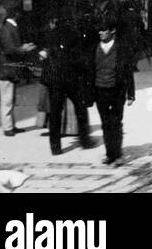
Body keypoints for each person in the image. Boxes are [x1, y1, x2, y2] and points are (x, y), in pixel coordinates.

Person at [39, 10, 93, 155]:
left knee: (55, 113)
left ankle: (55, 147)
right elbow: (80, 58)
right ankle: (85, 140)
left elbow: (45, 55)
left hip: (55, 80)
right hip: (71, 79)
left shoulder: (49, 35)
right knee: (80, 109)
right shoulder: (74, 34)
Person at [88, 17, 136, 165]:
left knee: (116, 122)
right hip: (100, 90)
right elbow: (89, 71)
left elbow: (128, 72)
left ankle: (117, 154)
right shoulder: (94, 49)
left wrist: (131, 94)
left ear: (112, 31)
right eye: (100, 31)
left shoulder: (121, 49)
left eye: (104, 30)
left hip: (117, 90)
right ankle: (110, 154)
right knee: (105, 123)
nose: (101, 33)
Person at [0, 4, 36, 137]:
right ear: (15, 15)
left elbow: (10, 47)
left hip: (7, 69)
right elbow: (9, 49)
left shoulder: (8, 26)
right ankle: (8, 128)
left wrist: (22, 47)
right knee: (7, 100)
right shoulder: (9, 28)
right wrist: (24, 48)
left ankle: (11, 125)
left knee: (9, 99)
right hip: (7, 69)